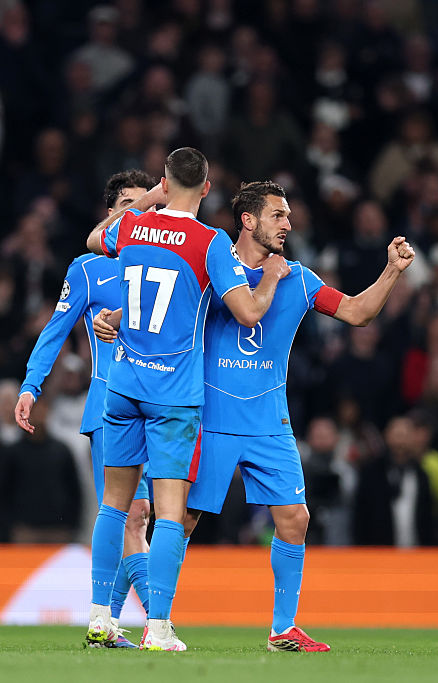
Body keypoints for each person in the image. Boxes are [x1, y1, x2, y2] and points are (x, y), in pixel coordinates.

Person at [97, 180, 414, 651]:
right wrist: (119, 317)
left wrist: (391, 270)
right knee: (175, 523)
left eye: (288, 216)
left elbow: (356, 313)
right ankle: (128, 619)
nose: (288, 224)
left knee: (295, 519)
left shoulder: (300, 279)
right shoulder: (212, 266)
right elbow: (168, 307)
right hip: (209, 420)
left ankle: (282, 628)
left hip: (270, 424)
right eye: (278, 215)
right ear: (249, 220)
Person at [83, 148, 286, 651]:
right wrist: (273, 279)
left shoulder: (131, 226)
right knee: (169, 511)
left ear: (165, 182)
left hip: (124, 384)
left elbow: (92, 239)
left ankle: (98, 617)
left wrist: (149, 200)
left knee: (113, 505)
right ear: (208, 188)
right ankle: (157, 628)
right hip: (173, 395)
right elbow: (246, 313)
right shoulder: (210, 241)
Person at [14, 169, 155, 648]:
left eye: (151, 205)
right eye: (131, 205)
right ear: (111, 215)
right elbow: (54, 331)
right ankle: (157, 620)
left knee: (145, 519)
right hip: (110, 406)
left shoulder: (172, 266)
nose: (143, 214)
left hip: (163, 406)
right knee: (130, 515)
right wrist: (31, 386)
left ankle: (107, 623)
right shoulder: (88, 268)